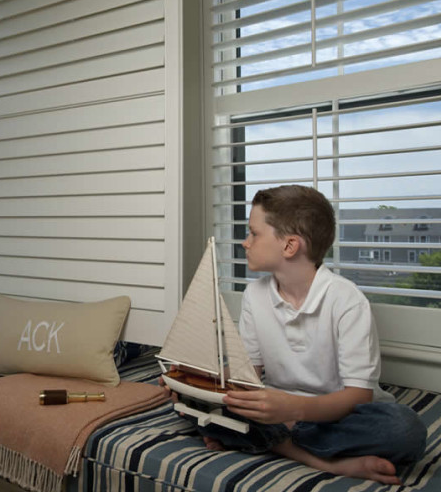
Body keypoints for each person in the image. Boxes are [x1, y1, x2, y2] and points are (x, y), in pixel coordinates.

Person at [167, 185, 427, 485]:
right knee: (186, 403)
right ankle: (323, 460)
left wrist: (294, 409)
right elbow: (247, 373)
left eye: (254, 233)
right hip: (276, 411)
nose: (245, 242)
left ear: (290, 246)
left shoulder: (347, 300)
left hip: (337, 414)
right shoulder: (254, 295)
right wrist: (191, 378)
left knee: (405, 430)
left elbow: (358, 396)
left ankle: (273, 443)